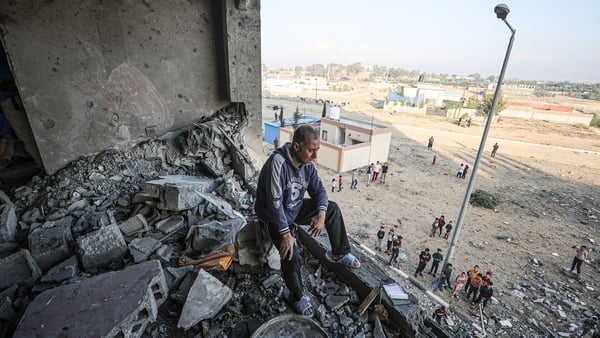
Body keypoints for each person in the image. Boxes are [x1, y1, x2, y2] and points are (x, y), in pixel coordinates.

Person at [255, 125, 360, 317]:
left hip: (293, 209)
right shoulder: (277, 163)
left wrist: (321, 213)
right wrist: (286, 234)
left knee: (332, 208)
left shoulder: (308, 166)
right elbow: (274, 205)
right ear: (296, 146)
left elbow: (319, 191)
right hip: (273, 216)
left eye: (316, 150)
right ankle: (296, 297)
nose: (315, 156)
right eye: (311, 150)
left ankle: (340, 253)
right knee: (290, 253)